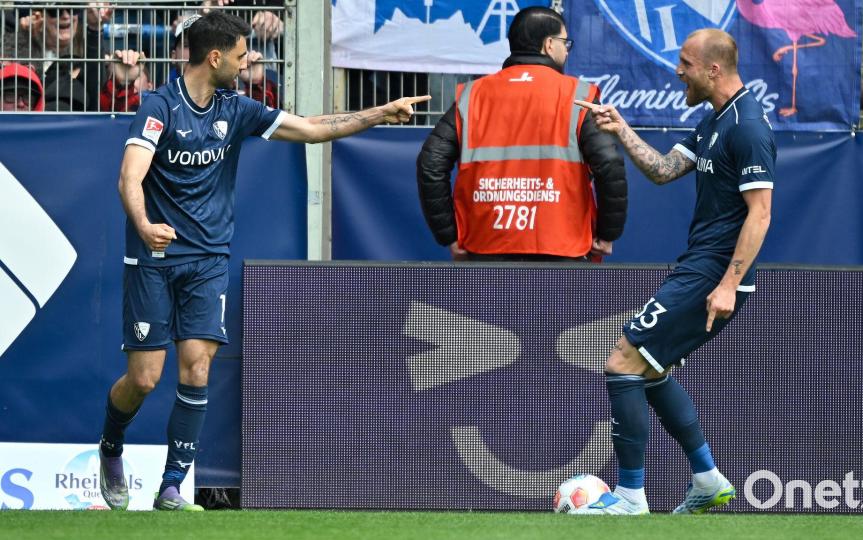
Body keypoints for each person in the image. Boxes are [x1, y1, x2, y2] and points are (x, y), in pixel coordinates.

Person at [97, 10, 428, 512]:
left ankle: (171, 486)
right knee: (144, 379)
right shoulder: (159, 107)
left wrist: (380, 112)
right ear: (215, 57)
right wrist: (144, 226)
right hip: (153, 257)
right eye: (240, 54)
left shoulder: (238, 108)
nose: (247, 61)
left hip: (208, 258)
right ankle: (111, 445)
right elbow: (130, 177)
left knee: (197, 367)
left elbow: (312, 128)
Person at [572, 28, 774, 514]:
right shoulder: (714, 121)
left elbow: (761, 212)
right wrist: (621, 129)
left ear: (713, 69)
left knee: (622, 362)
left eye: (685, 63)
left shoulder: (747, 126)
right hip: (700, 266)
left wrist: (728, 284)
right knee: (651, 370)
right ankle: (707, 479)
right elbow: (663, 170)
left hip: (712, 274)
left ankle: (630, 498)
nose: (677, 71)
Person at [416, 6, 626, 261]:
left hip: (486, 244)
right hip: (562, 245)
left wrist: (449, 235)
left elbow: (431, 163)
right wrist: (607, 234)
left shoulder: (473, 95)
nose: (567, 50)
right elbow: (609, 164)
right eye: (565, 42)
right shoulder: (579, 95)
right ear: (549, 44)